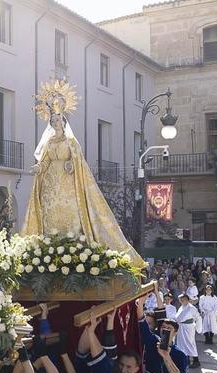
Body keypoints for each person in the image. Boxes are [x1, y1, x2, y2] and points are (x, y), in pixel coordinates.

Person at [20, 80, 145, 267]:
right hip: (50, 185)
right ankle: (51, 246)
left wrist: (71, 164)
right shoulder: (49, 143)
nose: (55, 122)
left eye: (58, 119)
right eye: (53, 120)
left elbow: (78, 161)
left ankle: (74, 244)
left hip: (68, 183)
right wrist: (39, 167)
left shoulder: (71, 142)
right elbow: (45, 160)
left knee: (70, 214)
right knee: (49, 214)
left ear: (63, 120)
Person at [136, 295, 190, 373]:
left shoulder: (180, 354)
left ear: (175, 333)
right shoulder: (153, 341)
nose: (165, 330)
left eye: (169, 328)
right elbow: (143, 325)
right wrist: (140, 305)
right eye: (163, 327)